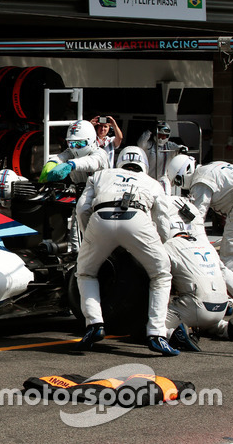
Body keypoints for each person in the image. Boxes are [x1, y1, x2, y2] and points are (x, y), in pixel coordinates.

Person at [75, 146, 178, 355]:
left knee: (85, 273)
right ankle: (156, 333)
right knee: (161, 274)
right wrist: (162, 244)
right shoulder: (153, 183)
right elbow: (163, 220)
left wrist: (90, 238)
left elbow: (82, 209)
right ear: (144, 165)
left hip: (100, 217)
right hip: (136, 217)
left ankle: (94, 324)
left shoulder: (101, 174)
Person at [152, 195, 233, 346]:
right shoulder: (208, 247)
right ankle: (227, 329)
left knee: (152, 323)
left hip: (192, 308)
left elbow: (158, 280)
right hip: (220, 309)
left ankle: (173, 334)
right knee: (211, 323)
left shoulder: (168, 246)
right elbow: (227, 276)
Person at [42, 120, 109, 252]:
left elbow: (91, 162)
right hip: (81, 195)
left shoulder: (100, 154)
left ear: (90, 140)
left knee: (97, 233)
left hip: (100, 198)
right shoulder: (72, 151)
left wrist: (71, 165)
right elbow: (62, 156)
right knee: (76, 229)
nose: (74, 147)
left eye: (79, 143)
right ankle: (76, 256)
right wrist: (51, 163)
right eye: (71, 143)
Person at [167, 155, 233, 275]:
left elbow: (197, 217)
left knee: (231, 249)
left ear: (185, 172)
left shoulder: (200, 180)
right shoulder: (212, 165)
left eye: (178, 181)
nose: (180, 186)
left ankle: (232, 287)